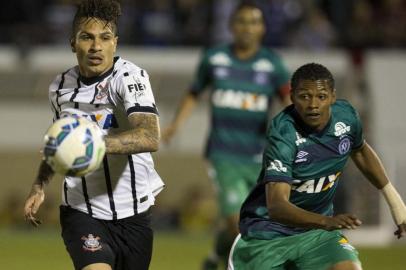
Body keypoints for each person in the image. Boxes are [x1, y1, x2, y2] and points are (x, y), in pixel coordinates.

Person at [23, 1, 164, 270]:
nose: (96, 46)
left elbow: (149, 136)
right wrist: (39, 186)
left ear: (115, 43)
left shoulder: (131, 78)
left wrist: (90, 143)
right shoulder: (59, 88)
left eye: (105, 38)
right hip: (81, 209)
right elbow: (59, 143)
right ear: (72, 43)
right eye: (86, 37)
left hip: (134, 212)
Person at [228, 63, 406, 270]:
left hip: (316, 235)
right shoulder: (283, 133)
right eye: (304, 96)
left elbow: (360, 151)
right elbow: (277, 206)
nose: (313, 104)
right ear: (292, 97)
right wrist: (324, 221)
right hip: (267, 234)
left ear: (332, 96)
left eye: (321, 96)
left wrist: (396, 203)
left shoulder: (347, 117)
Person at [162, 2, 291, 269]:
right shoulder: (215, 57)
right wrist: (176, 125)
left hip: (259, 157)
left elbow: (288, 103)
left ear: (263, 28)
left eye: (254, 22)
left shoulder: (272, 64)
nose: (247, 27)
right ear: (232, 26)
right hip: (223, 154)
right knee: (238, 223)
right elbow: (194, 92)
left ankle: (214, 258)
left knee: (252, 224)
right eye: (242, 21)